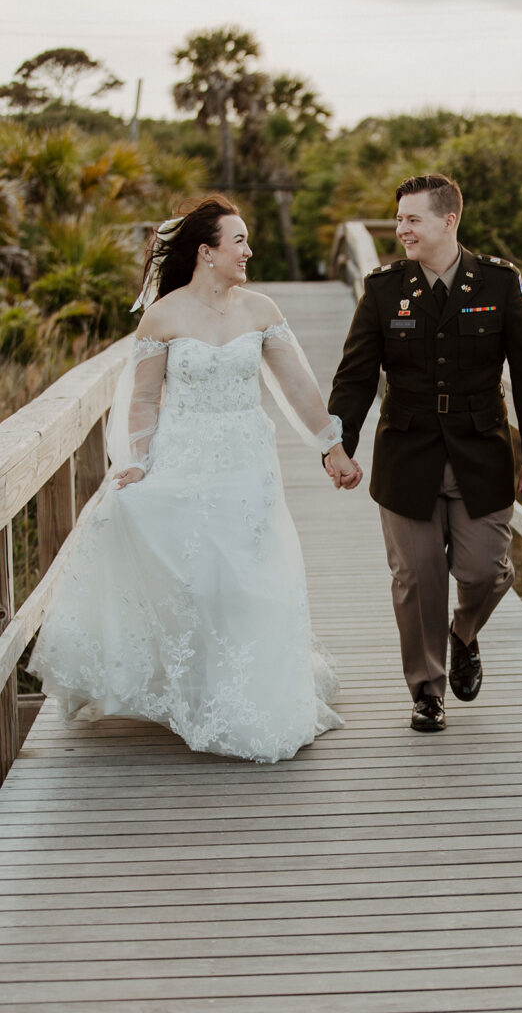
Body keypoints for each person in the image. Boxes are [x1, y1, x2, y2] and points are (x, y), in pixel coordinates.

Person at [29, 195, 361, 763]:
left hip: (248, 462)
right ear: (206, 252)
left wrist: (330, 445)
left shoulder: (261, 311)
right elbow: (141, 402)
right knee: (194, 573)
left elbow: (300, 388)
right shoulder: (163, 316)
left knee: (246, 577)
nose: (248, 251)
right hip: (183, 457)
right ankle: (190, 687)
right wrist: (134, 461)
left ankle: (250, 691)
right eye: (239, 241)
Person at [325, 174, 522, 732]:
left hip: (482, 450)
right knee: (417, 576)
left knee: (483, 572)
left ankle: (464, 633)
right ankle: (426, 690)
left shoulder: (500, 283)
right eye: (399, 218)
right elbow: (354, 377)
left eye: (412, 219)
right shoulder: (381, 289)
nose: (401, 228)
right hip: (408, 453)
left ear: (448, 221)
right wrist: (337, 444)